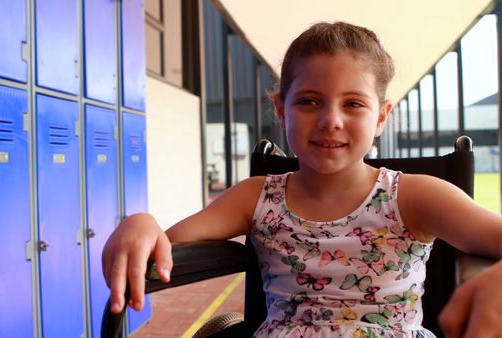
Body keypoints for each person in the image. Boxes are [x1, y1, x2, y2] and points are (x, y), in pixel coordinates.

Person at [102, 21, 502, 338]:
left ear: (381, 117)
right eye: (309, 101)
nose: (330, 120)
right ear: (281, 109)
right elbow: (166, 247)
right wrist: (141, 223)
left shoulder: (415, 196)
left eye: (354, 104)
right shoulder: (256, 198)